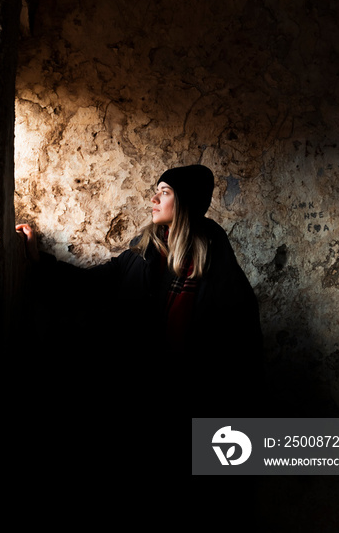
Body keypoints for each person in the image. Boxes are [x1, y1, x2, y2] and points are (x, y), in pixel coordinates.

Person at [16, 164, 263, 420]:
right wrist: (38, 259)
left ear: (185, 201)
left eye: (165, 192)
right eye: (157, 191)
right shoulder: (143, 251)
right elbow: (92, 283)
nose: (154, 199)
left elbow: (239, 344)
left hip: (196, 398)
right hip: (139, 388)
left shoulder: (217, 263)